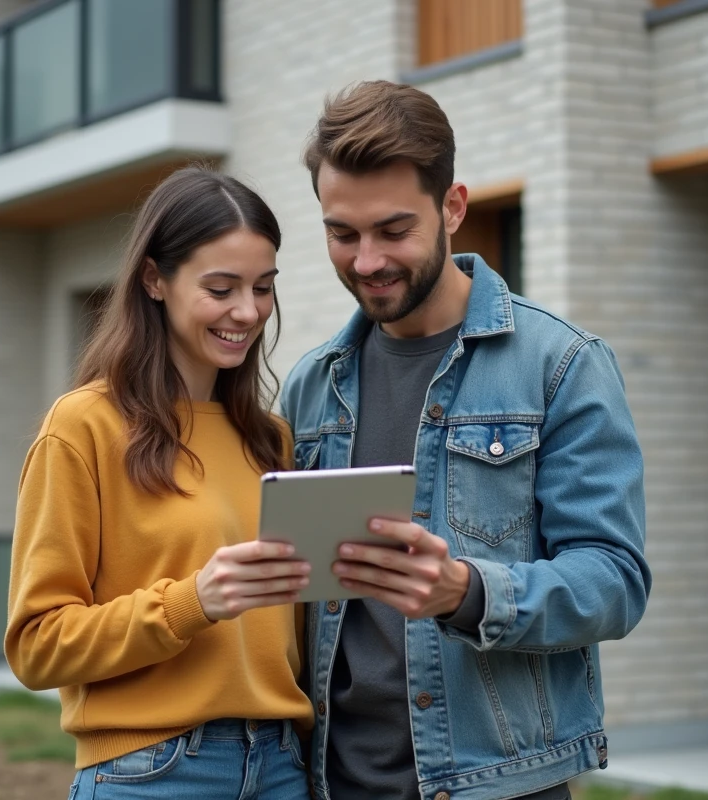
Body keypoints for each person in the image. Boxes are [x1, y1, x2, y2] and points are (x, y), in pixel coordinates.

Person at [280, 80, 653, 800]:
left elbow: (615, 581)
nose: (365, 262)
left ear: (453, 207)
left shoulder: (560, 365)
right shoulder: (310, 385)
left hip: (499, 785)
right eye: (342, 233)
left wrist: (469, 592)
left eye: (394, 231)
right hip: (332, 782)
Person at [5, 167, 314, 799]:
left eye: (263, 287)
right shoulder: (83, 427)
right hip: (153, 771)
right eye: (221, 288)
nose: (247, 311)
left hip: (282, 765)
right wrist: (190, 601)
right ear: (155, 280)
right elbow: (36, 646)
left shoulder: (271, 439)